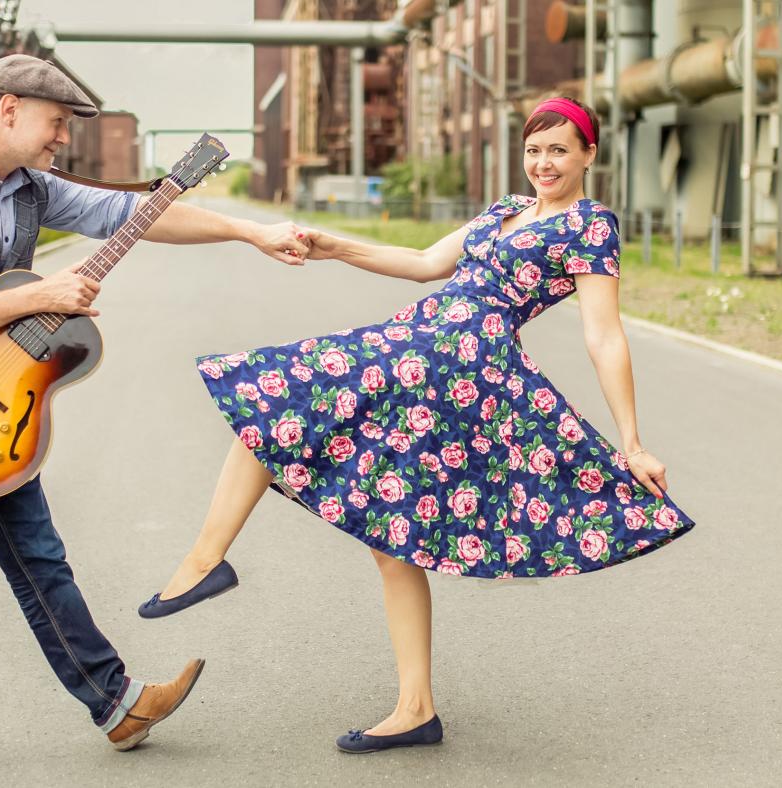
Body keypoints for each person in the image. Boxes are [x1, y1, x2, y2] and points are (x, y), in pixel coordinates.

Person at [140, 96, 696, 753]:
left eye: (558, 150)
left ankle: (207, 562)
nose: (543, 163)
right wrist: (334, 246)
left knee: (280, 401)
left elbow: (604, 335)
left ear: (588, 155)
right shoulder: (506, 211)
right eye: (534, 150)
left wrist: (631, 441)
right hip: (418, 350)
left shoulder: (590, 225)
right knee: (375, 517)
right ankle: (415, 707)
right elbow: (428, 263)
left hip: (463, 372)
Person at [0, 53, 310, 785]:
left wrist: (247, 232)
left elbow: (139, 214)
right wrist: (39, 298)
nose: (61, 139)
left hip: (0, 414)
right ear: (7, 108)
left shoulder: (30, 189)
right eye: (55, 123)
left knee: (41, 557)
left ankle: (117, 705)